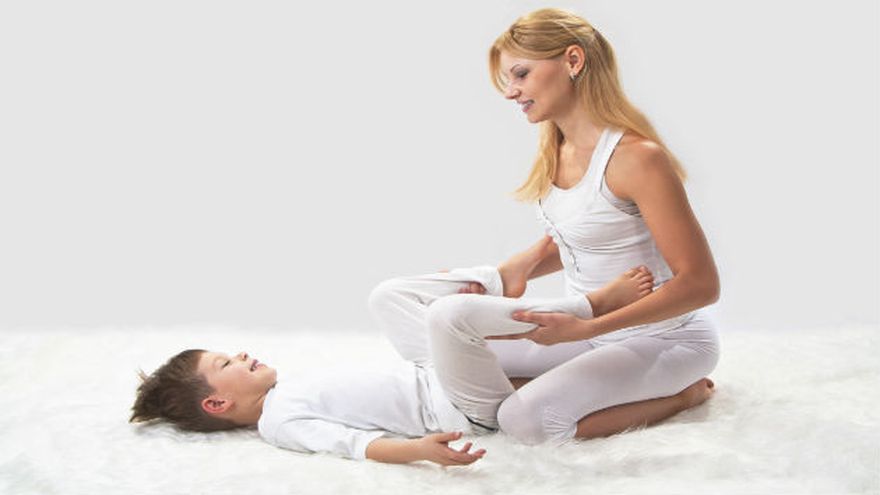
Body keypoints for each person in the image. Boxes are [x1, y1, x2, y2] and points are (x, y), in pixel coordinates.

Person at [429, 7, 720, 445]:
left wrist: (587, 329)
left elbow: (701, 285)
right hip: (589, 332)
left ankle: (683, 396)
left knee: (525, 422)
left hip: (665, 339)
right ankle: (566, 388)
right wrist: (509, 273)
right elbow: (585, 234)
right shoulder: (557, 150)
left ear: (573, 60)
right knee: (447, 357)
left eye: (521, 74)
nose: (511, 92)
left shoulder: (637, 158)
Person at [129, 265, 666, 465]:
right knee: (450, 319)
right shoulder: (280, 423)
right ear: (218, 402)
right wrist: (418, 451)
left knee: (387, 296)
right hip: (456, 404)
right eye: (227, 361)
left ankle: (503, 276)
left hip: (431, 374)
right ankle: (592, 306)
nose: (243, 354)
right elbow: (355, 445)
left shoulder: (285, 391)